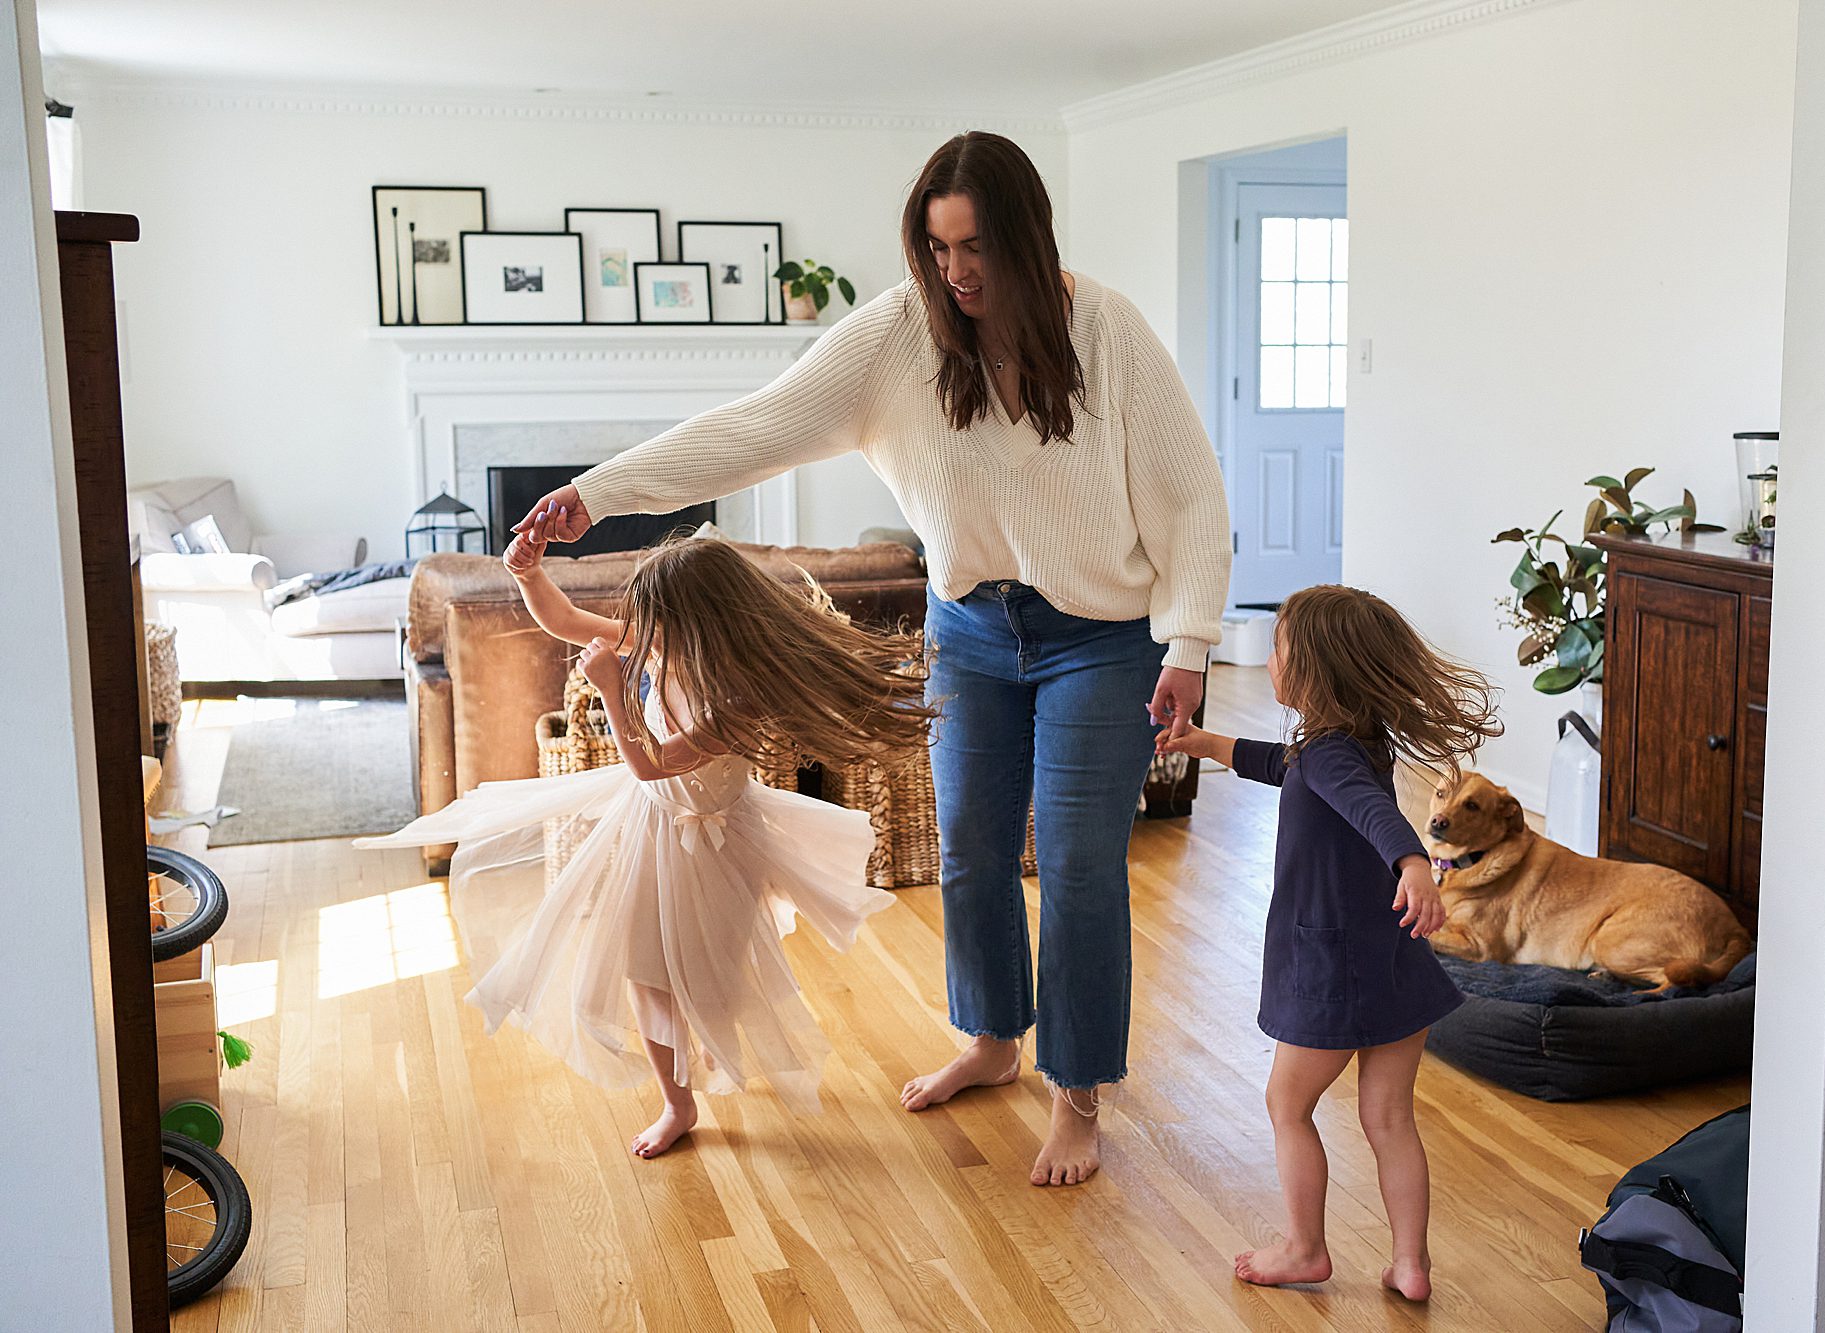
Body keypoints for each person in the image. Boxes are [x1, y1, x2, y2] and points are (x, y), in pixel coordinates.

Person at [510, 131, 1230, 1186]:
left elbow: (1189, 494)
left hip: (1099, 639)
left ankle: (1076, 1092)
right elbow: (754, 426)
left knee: (1076, 866)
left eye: (976, 245)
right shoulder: (896, 335)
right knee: (971, 848)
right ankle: (991, 1040)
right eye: (936, 250)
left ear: (1028, 235)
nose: (957, 272)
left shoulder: (1106, 332)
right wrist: (599, 492)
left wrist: (1192, 642)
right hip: (970, 632)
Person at [358, 524, 931, 1157]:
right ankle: (676, 1103)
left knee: (709, 976)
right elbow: (569, 619)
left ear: (699, 621)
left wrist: (610, 690)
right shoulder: (661, 646)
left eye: (656, 619)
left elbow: (654, 761)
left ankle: (709, 1052)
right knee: (643, 970)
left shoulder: (736, 694)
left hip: (718, 846)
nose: (641, 632)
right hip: (650, 828)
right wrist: (527, 574)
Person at [1157, 585, 1500, 1296]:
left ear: (1315, 670)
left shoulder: (1331, 757)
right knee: (1389, 1115)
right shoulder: (1345, 745)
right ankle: (1411, 1264)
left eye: (1279, 650)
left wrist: (1414, 863)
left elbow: (1376, 816)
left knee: (1288, 1107)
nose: (1272, 661)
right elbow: (1282, 765)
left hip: (1329, 967)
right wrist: (1207, 744)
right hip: (1391, 959)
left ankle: (1305, 1246)